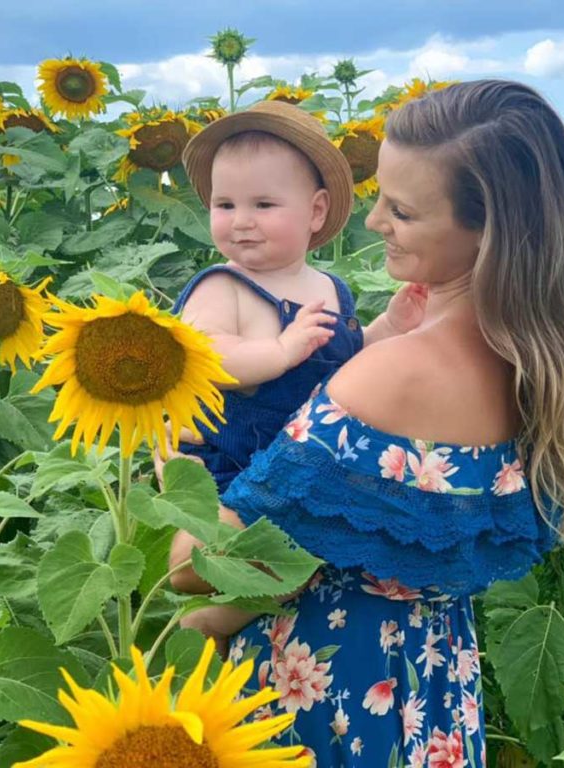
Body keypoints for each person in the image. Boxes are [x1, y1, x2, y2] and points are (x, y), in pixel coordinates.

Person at [168, 80, 564, 766]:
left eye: (401, 211)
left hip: (324, 705)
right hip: (433, 697)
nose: (373, 222)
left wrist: (176, 453)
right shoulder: (532, 362)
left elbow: (197, 567)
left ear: (484, 230)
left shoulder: (394, 376)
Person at [171, 101, 428, 654]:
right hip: (239, 464)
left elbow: (348, 361)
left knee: (307, 565)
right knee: (238, 569)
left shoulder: (329, 289)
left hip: (313, 467)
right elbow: (207, 357)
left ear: (315, 212)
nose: (241, 220)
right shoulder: (224, 287)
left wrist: (390, 326)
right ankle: (201, 628)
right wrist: (281, 349)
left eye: (263, 204)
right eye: (225, 204)